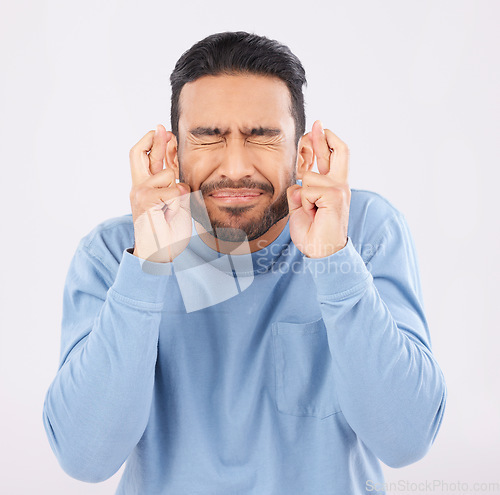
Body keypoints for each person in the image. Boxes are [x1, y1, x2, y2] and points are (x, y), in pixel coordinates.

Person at [42, 31, 447, 494]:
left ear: (302, 152)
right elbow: (85, 457)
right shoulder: (115, 254)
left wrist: (333, 260)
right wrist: (149, 265)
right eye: (209, 138)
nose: (235, 167)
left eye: (262, 137)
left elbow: (406, 440)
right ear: (175, 153)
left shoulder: (365, 232)